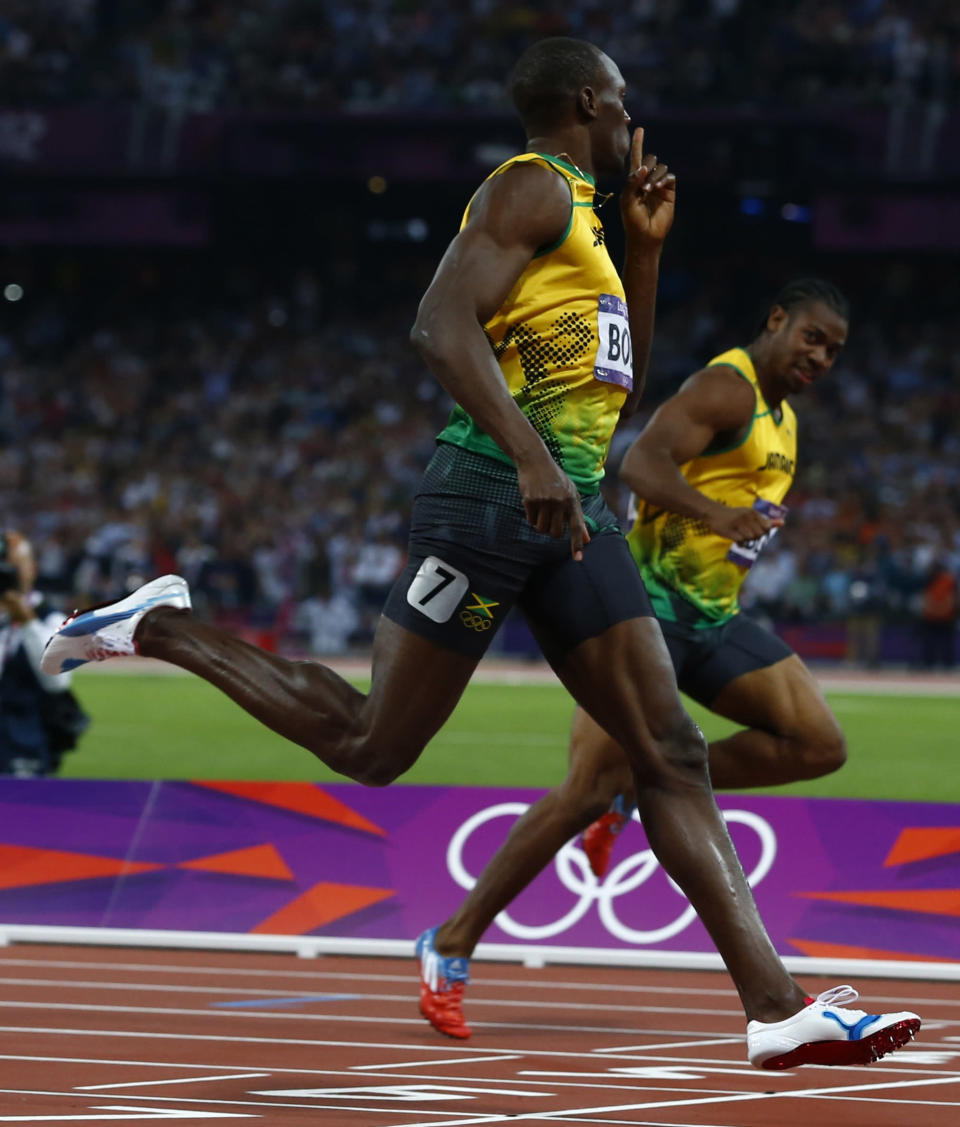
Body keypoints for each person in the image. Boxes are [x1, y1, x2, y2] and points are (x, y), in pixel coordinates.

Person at [40, 39, 919, 1069]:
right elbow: (436, 324)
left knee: (670, 751)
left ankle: (776, 1008)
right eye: (623, 102)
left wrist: (645, 250)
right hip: (490, 500)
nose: (632, 120)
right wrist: (527, 454)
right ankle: (157, 625)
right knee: (374, 745)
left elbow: (616, 389)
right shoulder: (531, 187)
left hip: (568, 516)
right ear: (587, 102)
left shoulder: (586, 221)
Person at [416, 278, 869, 1040]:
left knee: (818, 743)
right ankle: (451, 941)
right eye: (812, 337)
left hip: (713, 621)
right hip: (643, 619)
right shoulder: (727, 389)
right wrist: (720, 514)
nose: (820, 357)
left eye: (834, 351)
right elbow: (641, 466)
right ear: (777, 318)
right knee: (580, 792)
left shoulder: (783, 420)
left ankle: (638, 789)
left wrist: (737, 526)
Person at [0, 531, 88, 776]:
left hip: (27, 741)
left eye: (13, 566)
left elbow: (57, 681)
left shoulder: (52, 618)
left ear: (32, 569)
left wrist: (26, 620)